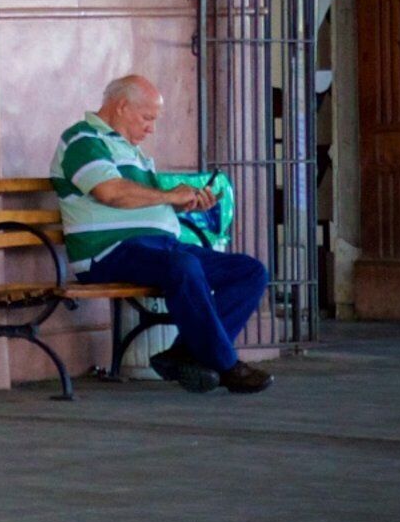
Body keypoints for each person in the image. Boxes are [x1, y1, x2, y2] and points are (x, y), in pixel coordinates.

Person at [55, 74, 273, 395]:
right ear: (122, 107)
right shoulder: (83, 140)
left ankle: (184, 354)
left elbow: (143, 202)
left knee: (250, 271)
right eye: (146, 118)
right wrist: (170, 197)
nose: (151, 128)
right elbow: (111, 192)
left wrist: (185, 204)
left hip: (160, 247)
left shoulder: (134, 151)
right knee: (183, 265)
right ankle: (226, 364)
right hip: (107, 252)